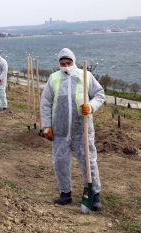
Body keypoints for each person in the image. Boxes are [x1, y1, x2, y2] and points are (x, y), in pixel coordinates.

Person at [41, 48, 105, 211]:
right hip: (60, 129)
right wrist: (46, 126)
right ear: (59, 64)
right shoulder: (54, 78)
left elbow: (99, 94)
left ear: (74, 62)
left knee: (88, 162)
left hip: (82, 129)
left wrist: (90, 106)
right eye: (62, 64)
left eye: (68, 63)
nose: (66, 66)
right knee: (60, 162)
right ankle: (65, 192)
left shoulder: (86, 76)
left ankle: (95, 194)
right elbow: (46, 102)